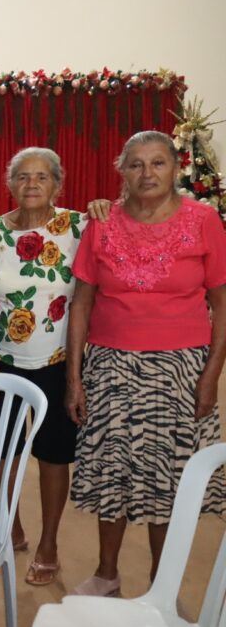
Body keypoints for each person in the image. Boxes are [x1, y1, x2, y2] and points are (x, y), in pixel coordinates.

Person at [66, 130, 226, 598]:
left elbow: (222, 304)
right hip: (110, 366)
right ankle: (106, 574)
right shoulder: (101, 222)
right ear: (122, 171)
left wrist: (212, 375)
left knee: (169, 476)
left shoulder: (204, 220)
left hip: (181, 370)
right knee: (111, 469)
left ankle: (162, 584)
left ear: (176, 167)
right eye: (135, 164)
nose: (147, 173)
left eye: (158, 163)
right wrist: (74, 378)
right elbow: (81, 304)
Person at [0, 147, 86, 586]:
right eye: (22, 176)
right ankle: (12, 526)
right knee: (5, 450)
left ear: (58, 183)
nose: (31, 184)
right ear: (10, 184)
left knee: (54, 455)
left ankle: (48, 543)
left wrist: (75, 376)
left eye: (41, 176)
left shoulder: (78, 226)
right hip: (2, 364)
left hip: (58, 363)